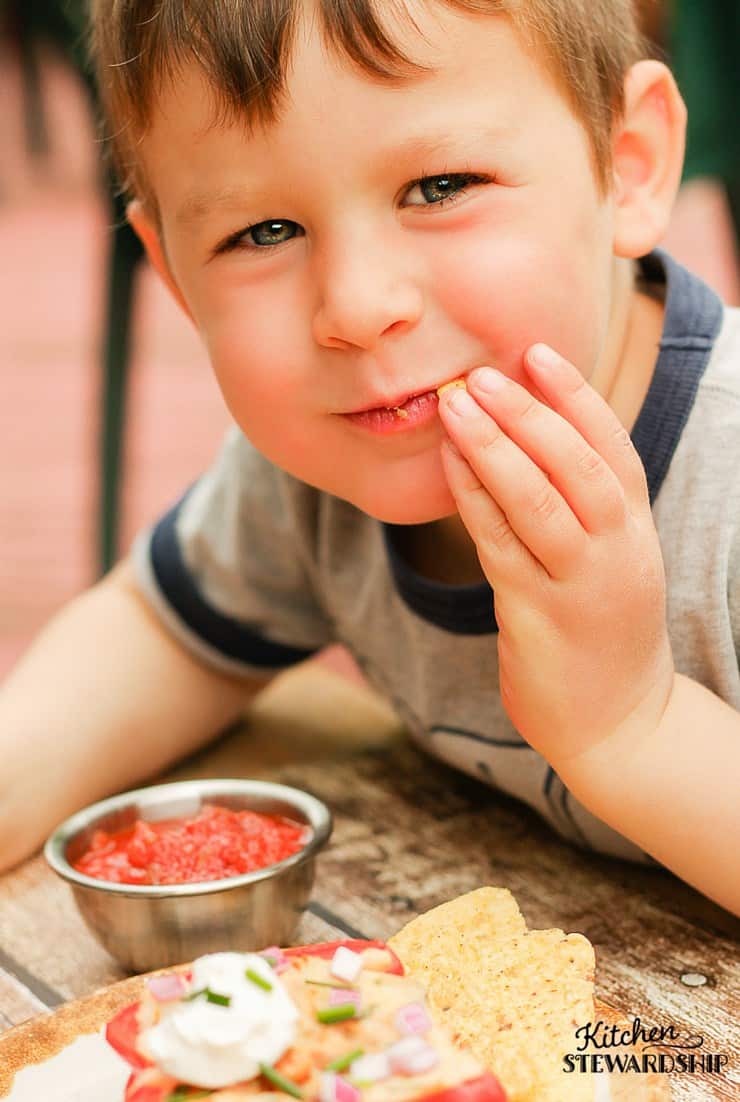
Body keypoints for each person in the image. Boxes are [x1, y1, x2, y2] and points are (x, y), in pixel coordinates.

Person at [1, 0, 738, 916]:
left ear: (627, 166)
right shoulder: (315, 471)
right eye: (262, 233)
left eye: (439, 187)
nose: (355, 306)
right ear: (176, 276)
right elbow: (164, 631)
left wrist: (635, 725)